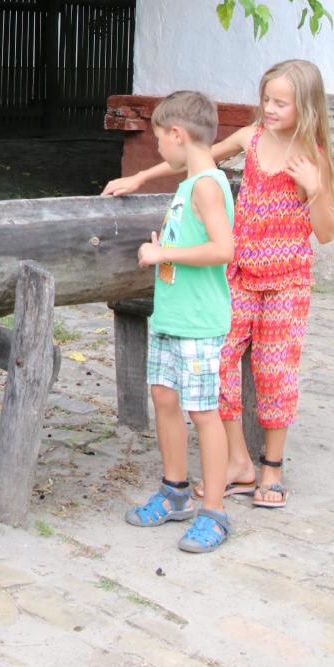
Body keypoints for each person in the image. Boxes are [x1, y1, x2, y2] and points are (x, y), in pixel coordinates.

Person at [105, 59, 334, 510]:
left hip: (287, 282)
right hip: (240, 275)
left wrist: (315, 189)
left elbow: (326, 233)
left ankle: (272, 467)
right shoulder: (251, 138)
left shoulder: (312, 157)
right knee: (219, 361)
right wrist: (141, 176)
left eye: (281, 103)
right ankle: (238, 462)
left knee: (274, 370)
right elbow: (197, 156)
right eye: (266, 99)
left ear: (306, 107)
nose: (269, 109)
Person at [122, 90, 235, 553]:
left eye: (158, 140)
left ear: (177, 134)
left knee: (203, 412)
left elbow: (223, 249)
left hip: (199, 320)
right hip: (172, 314)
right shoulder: (189, 183)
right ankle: (175, 492)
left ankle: (215, 513)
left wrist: (162, 252)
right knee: (164, 397)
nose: (158, 149)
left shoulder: (206, 185)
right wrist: (165, 246)